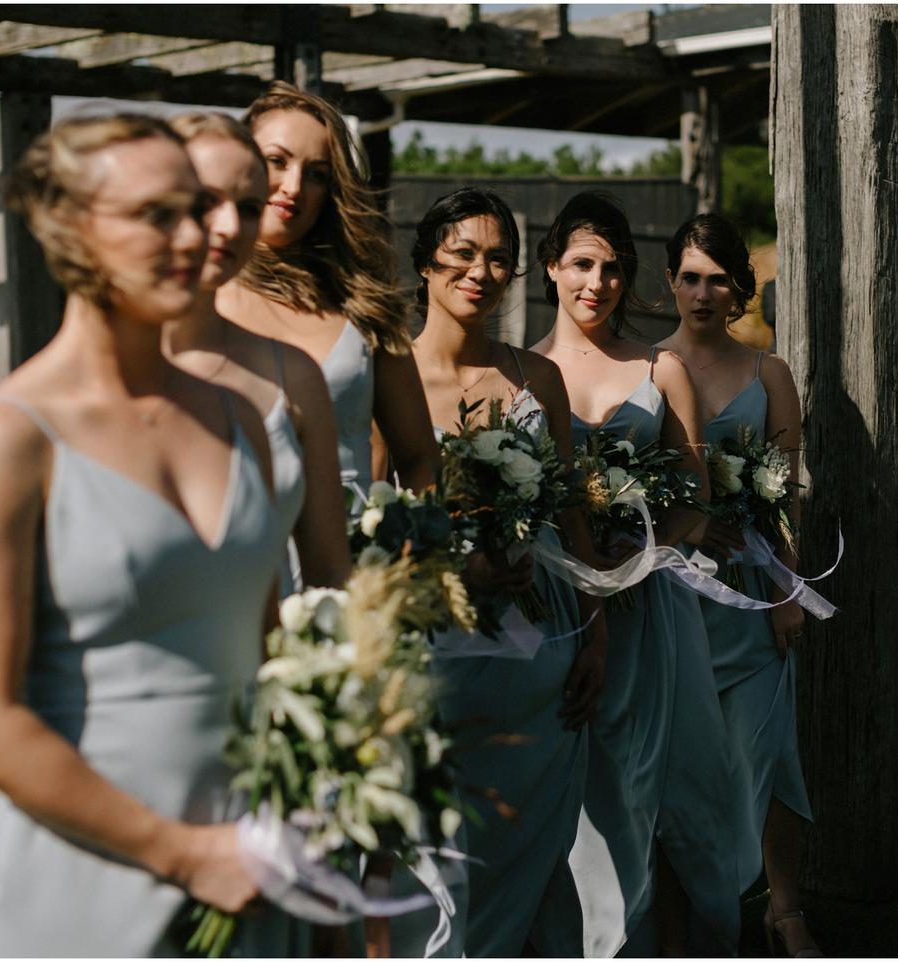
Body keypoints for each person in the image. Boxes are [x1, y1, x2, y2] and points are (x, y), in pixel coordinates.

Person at [0, 114, 295, 955]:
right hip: (88, 872)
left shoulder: (240, 420)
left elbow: (271, 653)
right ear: (72, 231)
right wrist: (186, 854)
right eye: (157, 214)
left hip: (254, 858)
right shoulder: (2, 442)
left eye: (197, 209)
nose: (197, 235)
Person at [530, 191, 755, 957]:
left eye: (614, 268)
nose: (598, 283)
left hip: (650, 606)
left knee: (665, 779)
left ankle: (681, 931)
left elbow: (696, 502)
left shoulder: (660, 370)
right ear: (551, 267)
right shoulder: (524, 374)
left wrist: (642, 544)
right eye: (583, 264)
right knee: (574, 781)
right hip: (557, 602)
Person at [396, 186, 611, 956]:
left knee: (533, 846)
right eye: (463, 254)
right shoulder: (389, 378)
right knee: (447, 840)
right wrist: (460, 566)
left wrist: (595, 631)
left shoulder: (535, 378)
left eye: (499, 259)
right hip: (436, 649)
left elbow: (573, 515)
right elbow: (381, 526)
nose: (482, 272)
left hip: (541, 642)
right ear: (425, 263)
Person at [657, 213, 819, 957]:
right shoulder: (646, 367)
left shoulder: (769, 374)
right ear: (670, 284)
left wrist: (787, 589)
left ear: (738, 290)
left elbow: (784, 493)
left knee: (768, 744)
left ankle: (783, 908)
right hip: (676, 594)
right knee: (684, 755)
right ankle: (690, 900)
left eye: (717, 279)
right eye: (689, 277)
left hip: (753, 588)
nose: (702, 292)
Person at [216, 81, 438, 498]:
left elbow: (419, 460)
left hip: (353, 553)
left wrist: (418, 551)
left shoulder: (366, 308)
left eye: (317, 174)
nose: (293, 186)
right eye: (276, 161)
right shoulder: (195, 296)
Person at [161, 112, 350, 597]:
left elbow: (327, 576)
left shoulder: (295, 376)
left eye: (248, 208)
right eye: (206, 201)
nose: (228, 226)